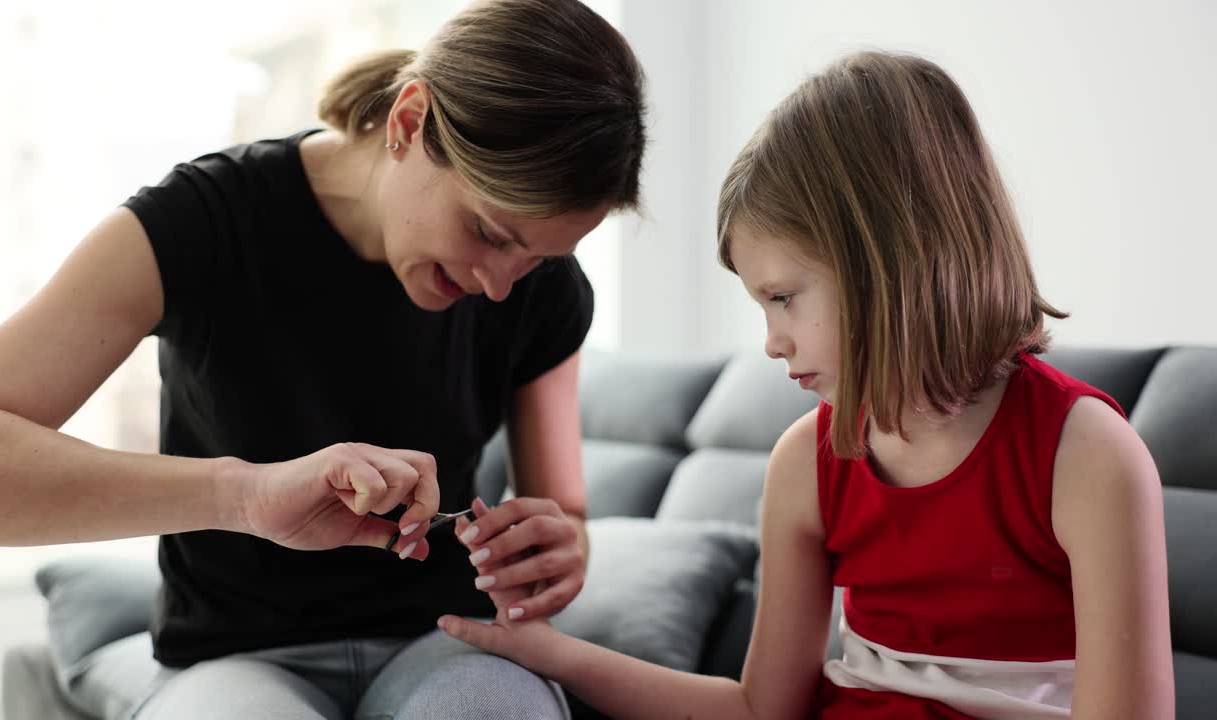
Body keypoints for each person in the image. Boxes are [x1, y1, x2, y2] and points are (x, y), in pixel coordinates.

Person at [0, 0, 646, 718]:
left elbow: (566, 514)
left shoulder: (540, 291)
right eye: (488, 232)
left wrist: (557, 552)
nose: (499, 286)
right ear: (408, 122)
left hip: (444, 637)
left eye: (538, 257)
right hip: (234, 655)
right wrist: (243, 497)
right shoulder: (201, 223)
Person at [439, 50, 1174, 719]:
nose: (772, 342)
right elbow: (760, 709)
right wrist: (553, 655)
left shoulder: (1086, 456)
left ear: (891, 261)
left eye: (784, 298)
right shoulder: (807, 463)